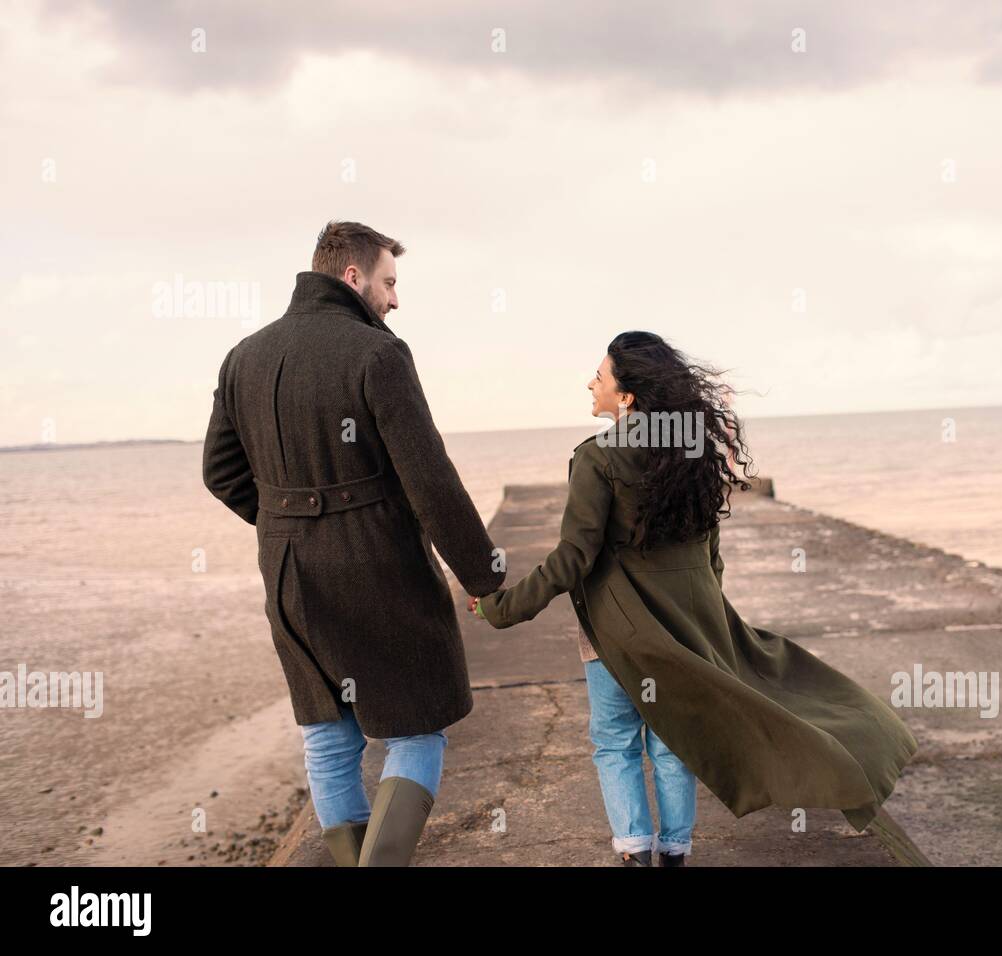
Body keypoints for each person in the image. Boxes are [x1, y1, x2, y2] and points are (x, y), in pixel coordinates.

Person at [470, 331, 919, 866]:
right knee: (672, 740)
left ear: (628, 396)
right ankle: (675, 852)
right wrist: (710, 618)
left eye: (600, 375)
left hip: (619, 636)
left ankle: (635, 851)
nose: (590, 382)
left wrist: (502, 607)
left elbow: (574, 557)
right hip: (691, 624)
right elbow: (710, 551)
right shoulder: (691, 449)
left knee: (615, 741)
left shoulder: (596, 458)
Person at [202, 221, 505, 866]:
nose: (395, 300)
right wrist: (483, 576)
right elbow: (430, 481)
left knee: (328, 735)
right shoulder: (376, 354)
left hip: (286, 571)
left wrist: (290, 523)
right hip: (376, 566)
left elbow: (220, 473)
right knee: (417, 727)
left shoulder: (243, 357)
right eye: (389, 282)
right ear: (352, 276)